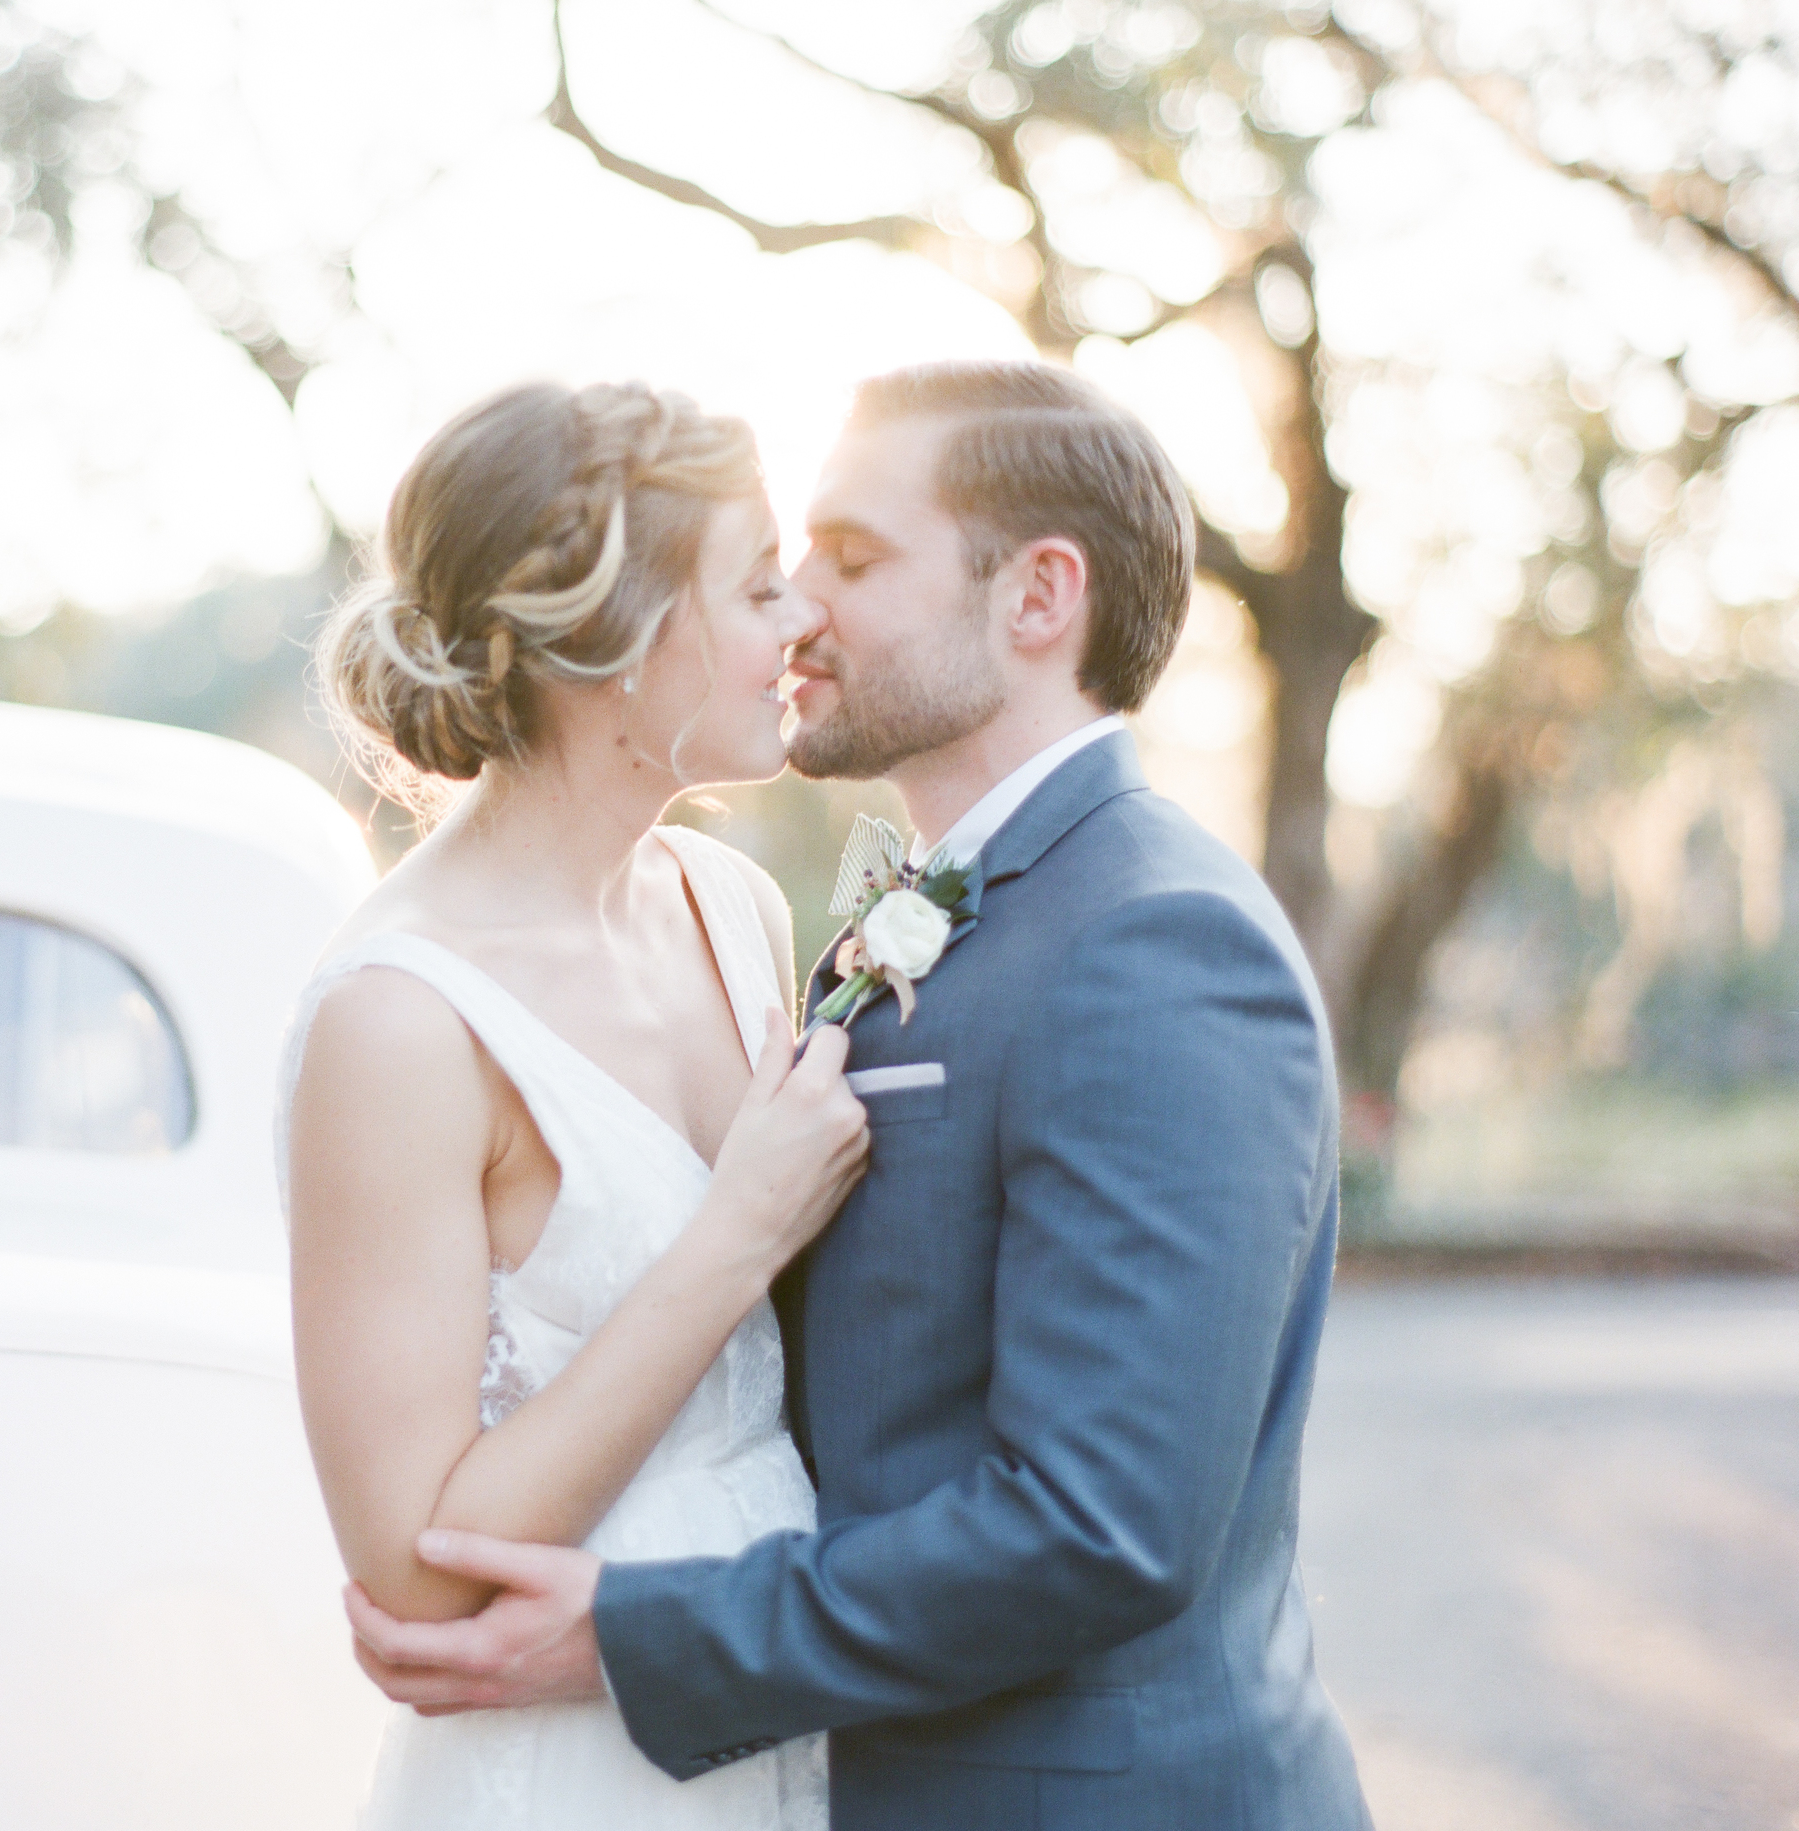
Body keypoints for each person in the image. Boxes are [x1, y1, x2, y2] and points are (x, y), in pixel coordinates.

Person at [342, 361, 1376, 1831]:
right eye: (784, 565)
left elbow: (1103, 1528)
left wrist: (638, 1638)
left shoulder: (1157, 941)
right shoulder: (890, 919)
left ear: (1037, 598)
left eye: (853, 555)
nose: (801, 605)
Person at [278, 379, 870, 1829]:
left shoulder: (731, 906)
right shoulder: (399, 1023)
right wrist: (738, 1231)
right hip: (570, 1767)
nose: (801, 616)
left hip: (769, 1696)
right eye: (753, 584)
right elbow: (416, 1569)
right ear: (615, 645)